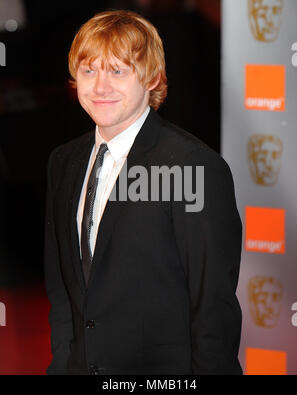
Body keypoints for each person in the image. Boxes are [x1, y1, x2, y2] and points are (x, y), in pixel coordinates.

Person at [44, 9, 243, 375]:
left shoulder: (191, 165)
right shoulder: (64, 161)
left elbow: (213, 308)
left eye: (117, 70)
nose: (100, 86)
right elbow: (62, 289)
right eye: (89, 70)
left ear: (152, 77)